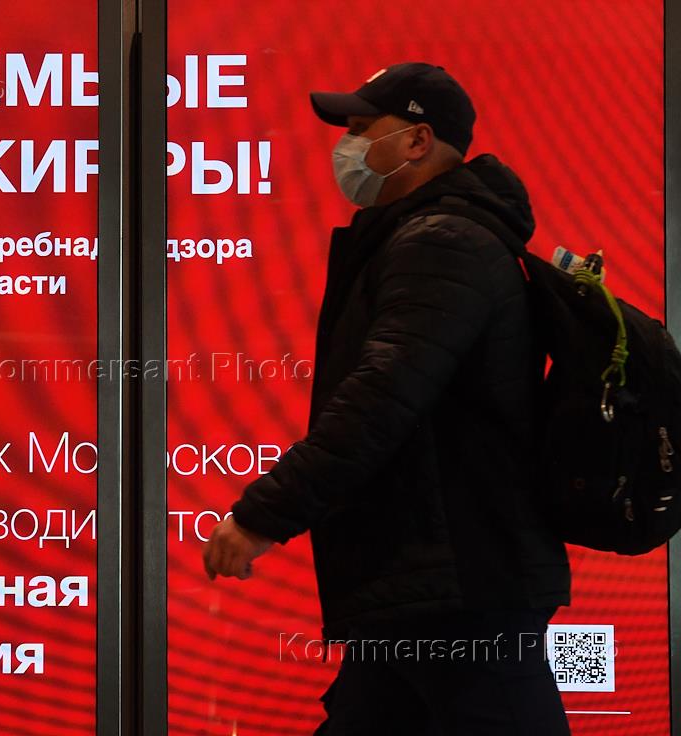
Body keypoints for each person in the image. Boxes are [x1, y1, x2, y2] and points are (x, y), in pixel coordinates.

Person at [201, 62, 573, 735]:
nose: (346, 146)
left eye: (360, 128)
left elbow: (380, 399)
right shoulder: (422, 237)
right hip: (420, 580)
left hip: (460, 585)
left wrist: (263, 516)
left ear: (417, 140)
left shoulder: (442, 243)